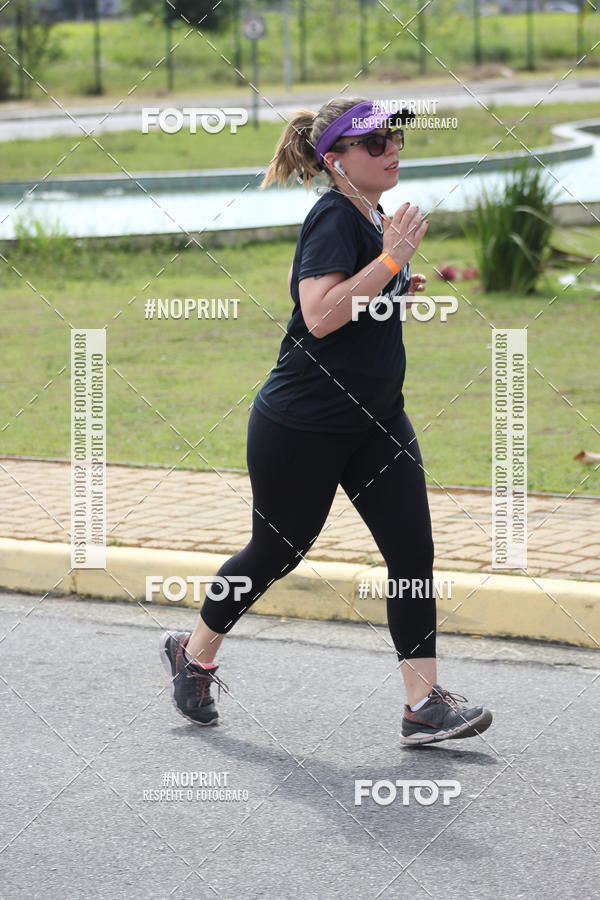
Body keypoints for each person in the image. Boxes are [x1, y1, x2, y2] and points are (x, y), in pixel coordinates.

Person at [161, 97, 493, 745]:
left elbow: (340, 294)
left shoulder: (365, 217)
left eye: (395, 138)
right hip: (304, 425)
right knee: (277, 551)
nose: (393, 149)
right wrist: (391, 262)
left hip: (376, 422)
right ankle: (192, 653)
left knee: (411, 554)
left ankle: (422, 705)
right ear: (336, 160)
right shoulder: (335, 217)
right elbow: (318, 313)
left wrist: (392, 281)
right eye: (375, 144)